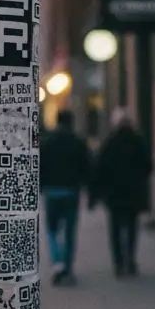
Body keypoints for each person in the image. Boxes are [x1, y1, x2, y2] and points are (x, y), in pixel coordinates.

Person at [90, 108, 152, 277]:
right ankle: (130, 260)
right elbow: (148, 166)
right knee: (132, 227)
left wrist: (98, 192)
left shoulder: (110, 142)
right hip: (133, 192)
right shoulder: (138, 141)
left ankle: (118, 263)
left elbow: (99, 168)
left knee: (115, 229)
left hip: (114, 194)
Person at [39, 110, 91, 286]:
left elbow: (40, 167)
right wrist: (88, 190)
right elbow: (86, 167)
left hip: (51, 192)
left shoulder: (47, 142)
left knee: (52, 231)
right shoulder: (77, 142)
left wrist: (40, 187)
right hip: (71, 192)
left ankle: (57, 263)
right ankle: (67, 266)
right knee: (69, 232)